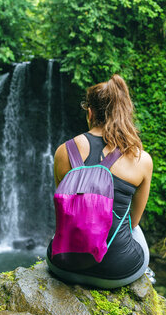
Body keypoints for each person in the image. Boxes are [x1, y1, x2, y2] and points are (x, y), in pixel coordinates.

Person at [46, 74, 153, 288]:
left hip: (63, 265)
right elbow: (133, 222)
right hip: (117, 272)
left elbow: (69, 207)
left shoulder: (63, 151)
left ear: (90, 112)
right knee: (132, 227)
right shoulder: (141, 158)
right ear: (124, 112)